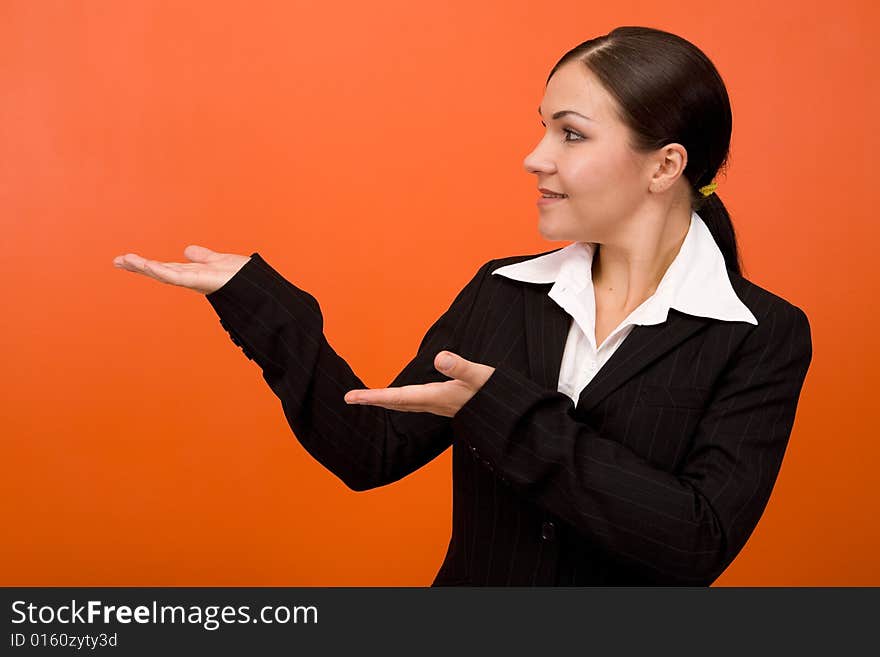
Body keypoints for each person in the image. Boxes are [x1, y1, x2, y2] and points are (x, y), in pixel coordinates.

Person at [113, 26, 812, 586]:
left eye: (570, 133)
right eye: (542, 127)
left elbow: (694, 541)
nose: (534, 157)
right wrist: (261, 306)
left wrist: (501, 408)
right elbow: (370, 450)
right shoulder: (502, 291)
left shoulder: (761, 335)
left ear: (664, 165)